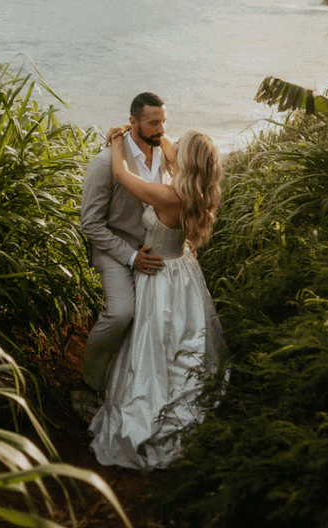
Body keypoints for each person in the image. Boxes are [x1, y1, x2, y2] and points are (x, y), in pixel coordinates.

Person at [88, 125, 228, 470]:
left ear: (187, 161)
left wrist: (119, 137)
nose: (170, 143)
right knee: (182, 337)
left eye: (178, 144)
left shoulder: (168, 196)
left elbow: (120, 173)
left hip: (159, 274)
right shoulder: (198, 191)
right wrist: (152, 133)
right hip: (184, 270)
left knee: (155, 339)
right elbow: (166, 146)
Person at [79, 93, 170, 400]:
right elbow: (90, 224)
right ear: (134, 122)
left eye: (163, 122)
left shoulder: (165, 155)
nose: (160, 129)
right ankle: (90, 383)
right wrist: (131, 257)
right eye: (153, 122)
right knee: (121, 314)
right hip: (116, 251)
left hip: (155, 248)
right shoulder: (105, 163)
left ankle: (143, 388)